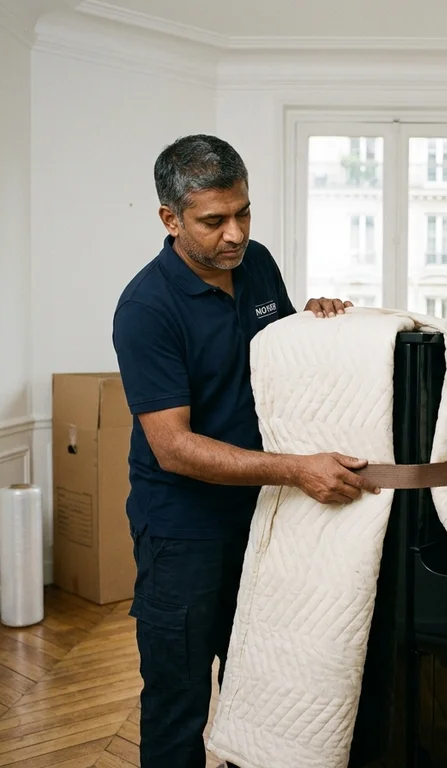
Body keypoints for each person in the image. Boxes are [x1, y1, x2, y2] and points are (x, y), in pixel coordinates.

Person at [111, 134, 380, 768]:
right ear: (170, 219)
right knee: (178, 699)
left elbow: (277, 362)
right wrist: (297, 471)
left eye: (244, 212)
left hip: (263, 516)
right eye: (214, 221)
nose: (235, 234)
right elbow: (174, 448)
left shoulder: (255, 263)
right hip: (183, 532)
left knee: (259, 684)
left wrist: (311, 324)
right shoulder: (146, 307)